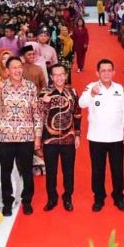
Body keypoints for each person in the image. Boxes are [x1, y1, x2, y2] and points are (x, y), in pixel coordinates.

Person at [79, 58, 124, 212]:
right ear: (98, 73)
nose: (107, 73)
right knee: (98, 171)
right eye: (103, 71)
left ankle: (118, 197)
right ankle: (99, 198)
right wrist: (91, 94)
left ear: (114, 72)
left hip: (116, 137)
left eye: (109, 70)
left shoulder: (120, 89)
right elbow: (82, 103)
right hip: (96, 138)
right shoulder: (91, 87)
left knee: (117, 170)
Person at [0, 56, 42, 216]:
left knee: (27, 170)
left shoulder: (30, 87)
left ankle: (27, 201)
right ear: (7, 70)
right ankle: (7, 202)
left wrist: (38, 135)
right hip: (5, 136)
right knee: (5, 170)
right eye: (14, 67)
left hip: (26, 135)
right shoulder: (1, 86)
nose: (18, 70)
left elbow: (37, 112)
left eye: (20, 67)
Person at [39, 63, 81, 211]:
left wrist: (77, 134)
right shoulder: (44, 92)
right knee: (51, 171)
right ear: (51, 77)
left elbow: (77, 113)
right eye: (55, 75)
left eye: (62, 74)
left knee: (68, 170)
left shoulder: (73, 92)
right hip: (49, 139)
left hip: (68, 138)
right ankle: (52, 198)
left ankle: (68, 197)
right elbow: (39, 113)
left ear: (66, 75)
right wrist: (44, 103)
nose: (59, 77)